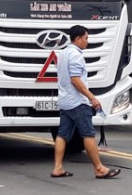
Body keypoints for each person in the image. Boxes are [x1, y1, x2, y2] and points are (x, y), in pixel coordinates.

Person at [51, 25, 121, 179]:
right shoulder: (76, 55)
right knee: (88, 134)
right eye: (86, 38)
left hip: (65, 101)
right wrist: (92, 97)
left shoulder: (62, 54)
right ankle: (99, 168)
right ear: (78, 39)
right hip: (77, 102)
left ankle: (58, 168)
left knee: (62, 135)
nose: (87, 42)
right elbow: (75, 80)